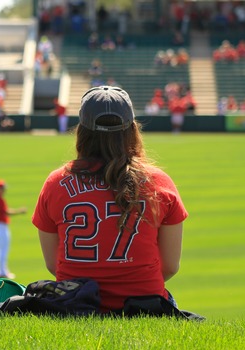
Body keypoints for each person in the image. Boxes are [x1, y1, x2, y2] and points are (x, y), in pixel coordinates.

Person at [32, 86, 188, 314]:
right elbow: (171, 266)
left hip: (76, 303)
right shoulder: (160, 183)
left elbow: (53, 264)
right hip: (144, 303)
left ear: (81, 132)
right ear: (132, 130)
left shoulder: (55, 183)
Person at [0, 179, 27, 279]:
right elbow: (6, 212)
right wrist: (20, 211)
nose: (4, 190)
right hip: (0, 227)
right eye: (3, 188)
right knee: (3, 249)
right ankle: (3, 272)